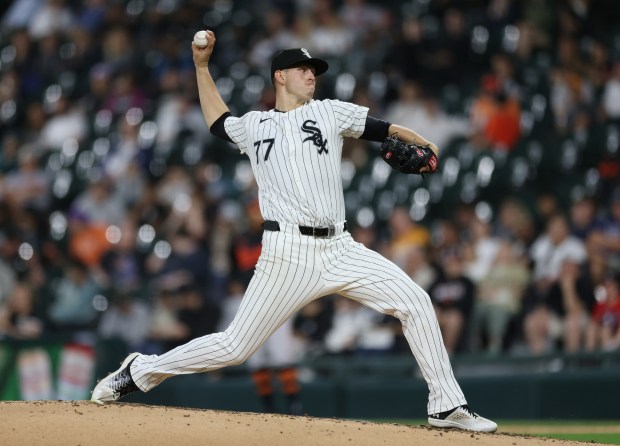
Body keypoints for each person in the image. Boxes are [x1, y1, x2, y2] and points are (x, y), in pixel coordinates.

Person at [91, 30, 497, 433]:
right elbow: (218, 120)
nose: (311, 75)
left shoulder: (329, 111)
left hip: (340, 247)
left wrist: (423, 142)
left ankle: (446, 406)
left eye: (313, 70)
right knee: (235, 347)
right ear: (279, 77)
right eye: (302, 69)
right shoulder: (255, 125)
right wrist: (201, 67)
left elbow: (383, 128)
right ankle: (142, 369)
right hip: (287, 252)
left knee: (415, 301)